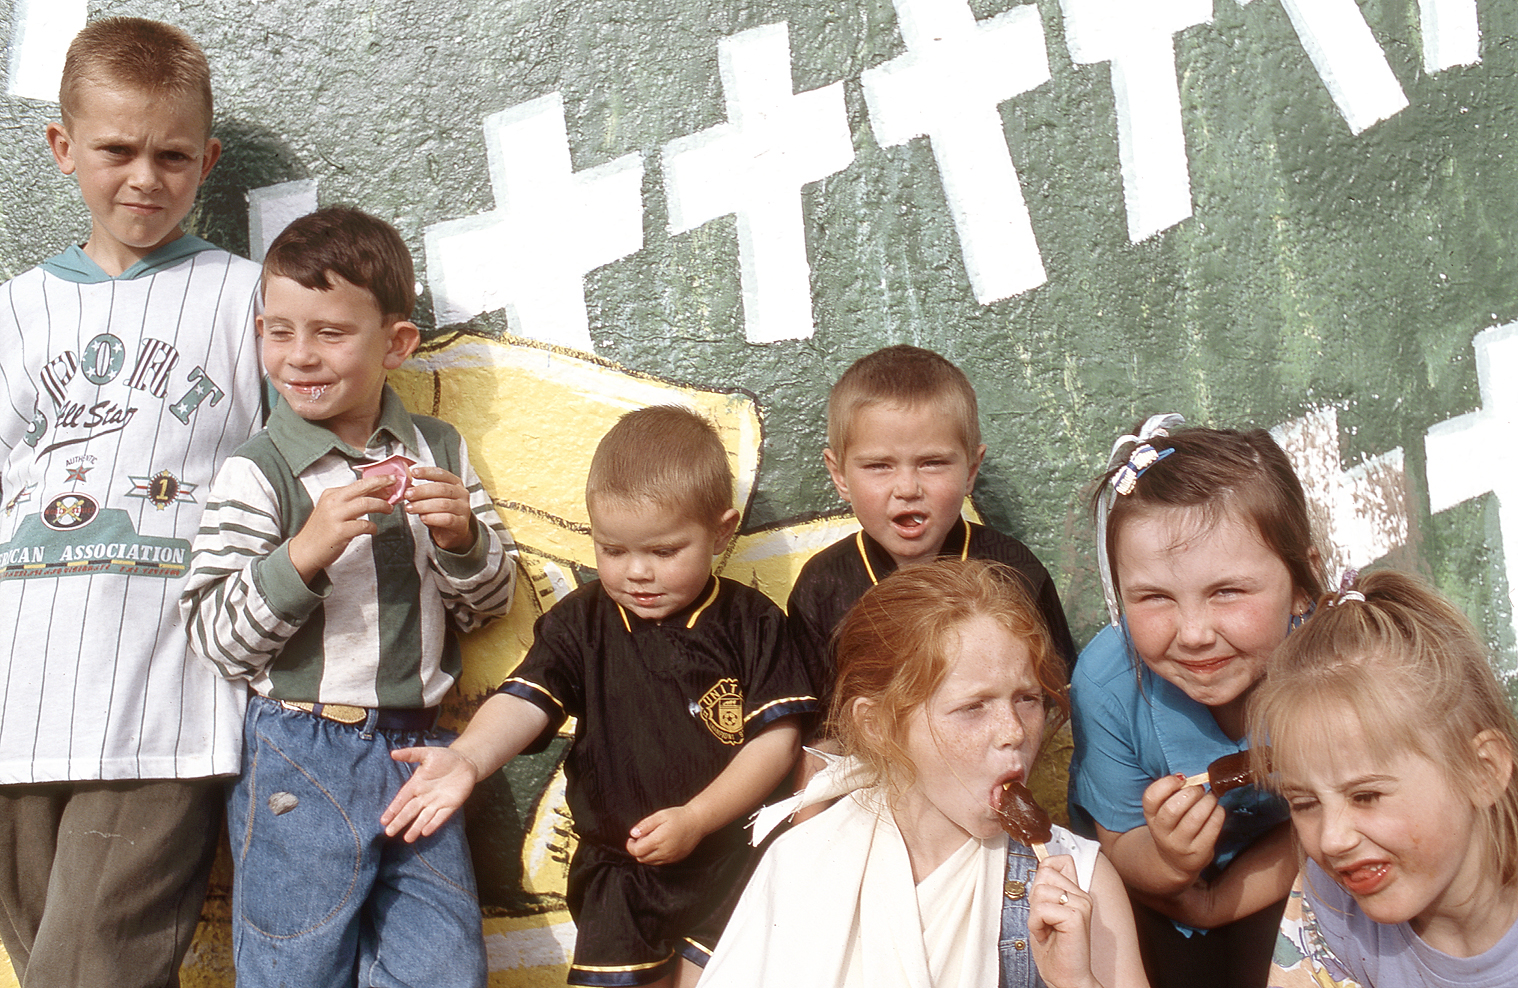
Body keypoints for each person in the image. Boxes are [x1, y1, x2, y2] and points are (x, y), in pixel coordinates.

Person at [180, 206, 518, 988]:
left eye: (330, 333)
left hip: (419, 754)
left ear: (396, 344)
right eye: (280, 331)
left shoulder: (437, 450)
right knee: (296, 967)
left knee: (443, 969)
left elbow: (489, 606)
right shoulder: (259, 470)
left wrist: (462, 539)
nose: (300, 355)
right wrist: (304, 553)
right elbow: (216, 637)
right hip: (300, 752)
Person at [0, 17, 263, 988]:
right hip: (20, 706)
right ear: (63, 147)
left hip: (168, 703)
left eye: (173, 155)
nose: (145, 178)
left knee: (89, 972)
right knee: (52, 964)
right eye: (116, 150)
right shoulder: (16, 311)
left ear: (207, 161)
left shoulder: (247, 301)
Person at [381, 405, 817, 988]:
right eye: (612, 550)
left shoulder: (752, 623)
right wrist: (469, 757)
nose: (637, 571)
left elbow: (778, 741)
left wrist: (697, 818)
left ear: (721, 531)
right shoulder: (582, 623)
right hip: (620, 868)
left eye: (663, 552)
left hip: (731, 860)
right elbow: (524, 700)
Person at [699, 558, 1147, 987]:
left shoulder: (1080, 881)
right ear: (876, 725)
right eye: (973, 707)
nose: (1014, 732)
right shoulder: (802, 864)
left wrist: (1075, 982)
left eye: (1027, 699)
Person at [1068, 414, 1323, 988]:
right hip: (1153, 895)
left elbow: (1341, 821)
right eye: (1154, 597)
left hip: (1303, 858)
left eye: (1226, 592)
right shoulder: (1107, 686)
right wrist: (1170, 860)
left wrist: (1218, 904)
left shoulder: (1338, 668)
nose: (1193, 633)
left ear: (1301, 585)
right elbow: (1123, 844)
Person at [1254, 569, 1518, 988]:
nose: (1332, 840)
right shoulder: (1330, 904)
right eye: (1304, 804)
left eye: (1365, 796)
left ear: (1482, 771)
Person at [787, 345, 1076, 716]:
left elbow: (1056, 700)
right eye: (879, 466)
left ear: (971, 470)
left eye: (933, 463)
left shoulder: (1013, 570)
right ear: (839, 474)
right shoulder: (823, 586)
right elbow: (821, 730)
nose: (907, 488)